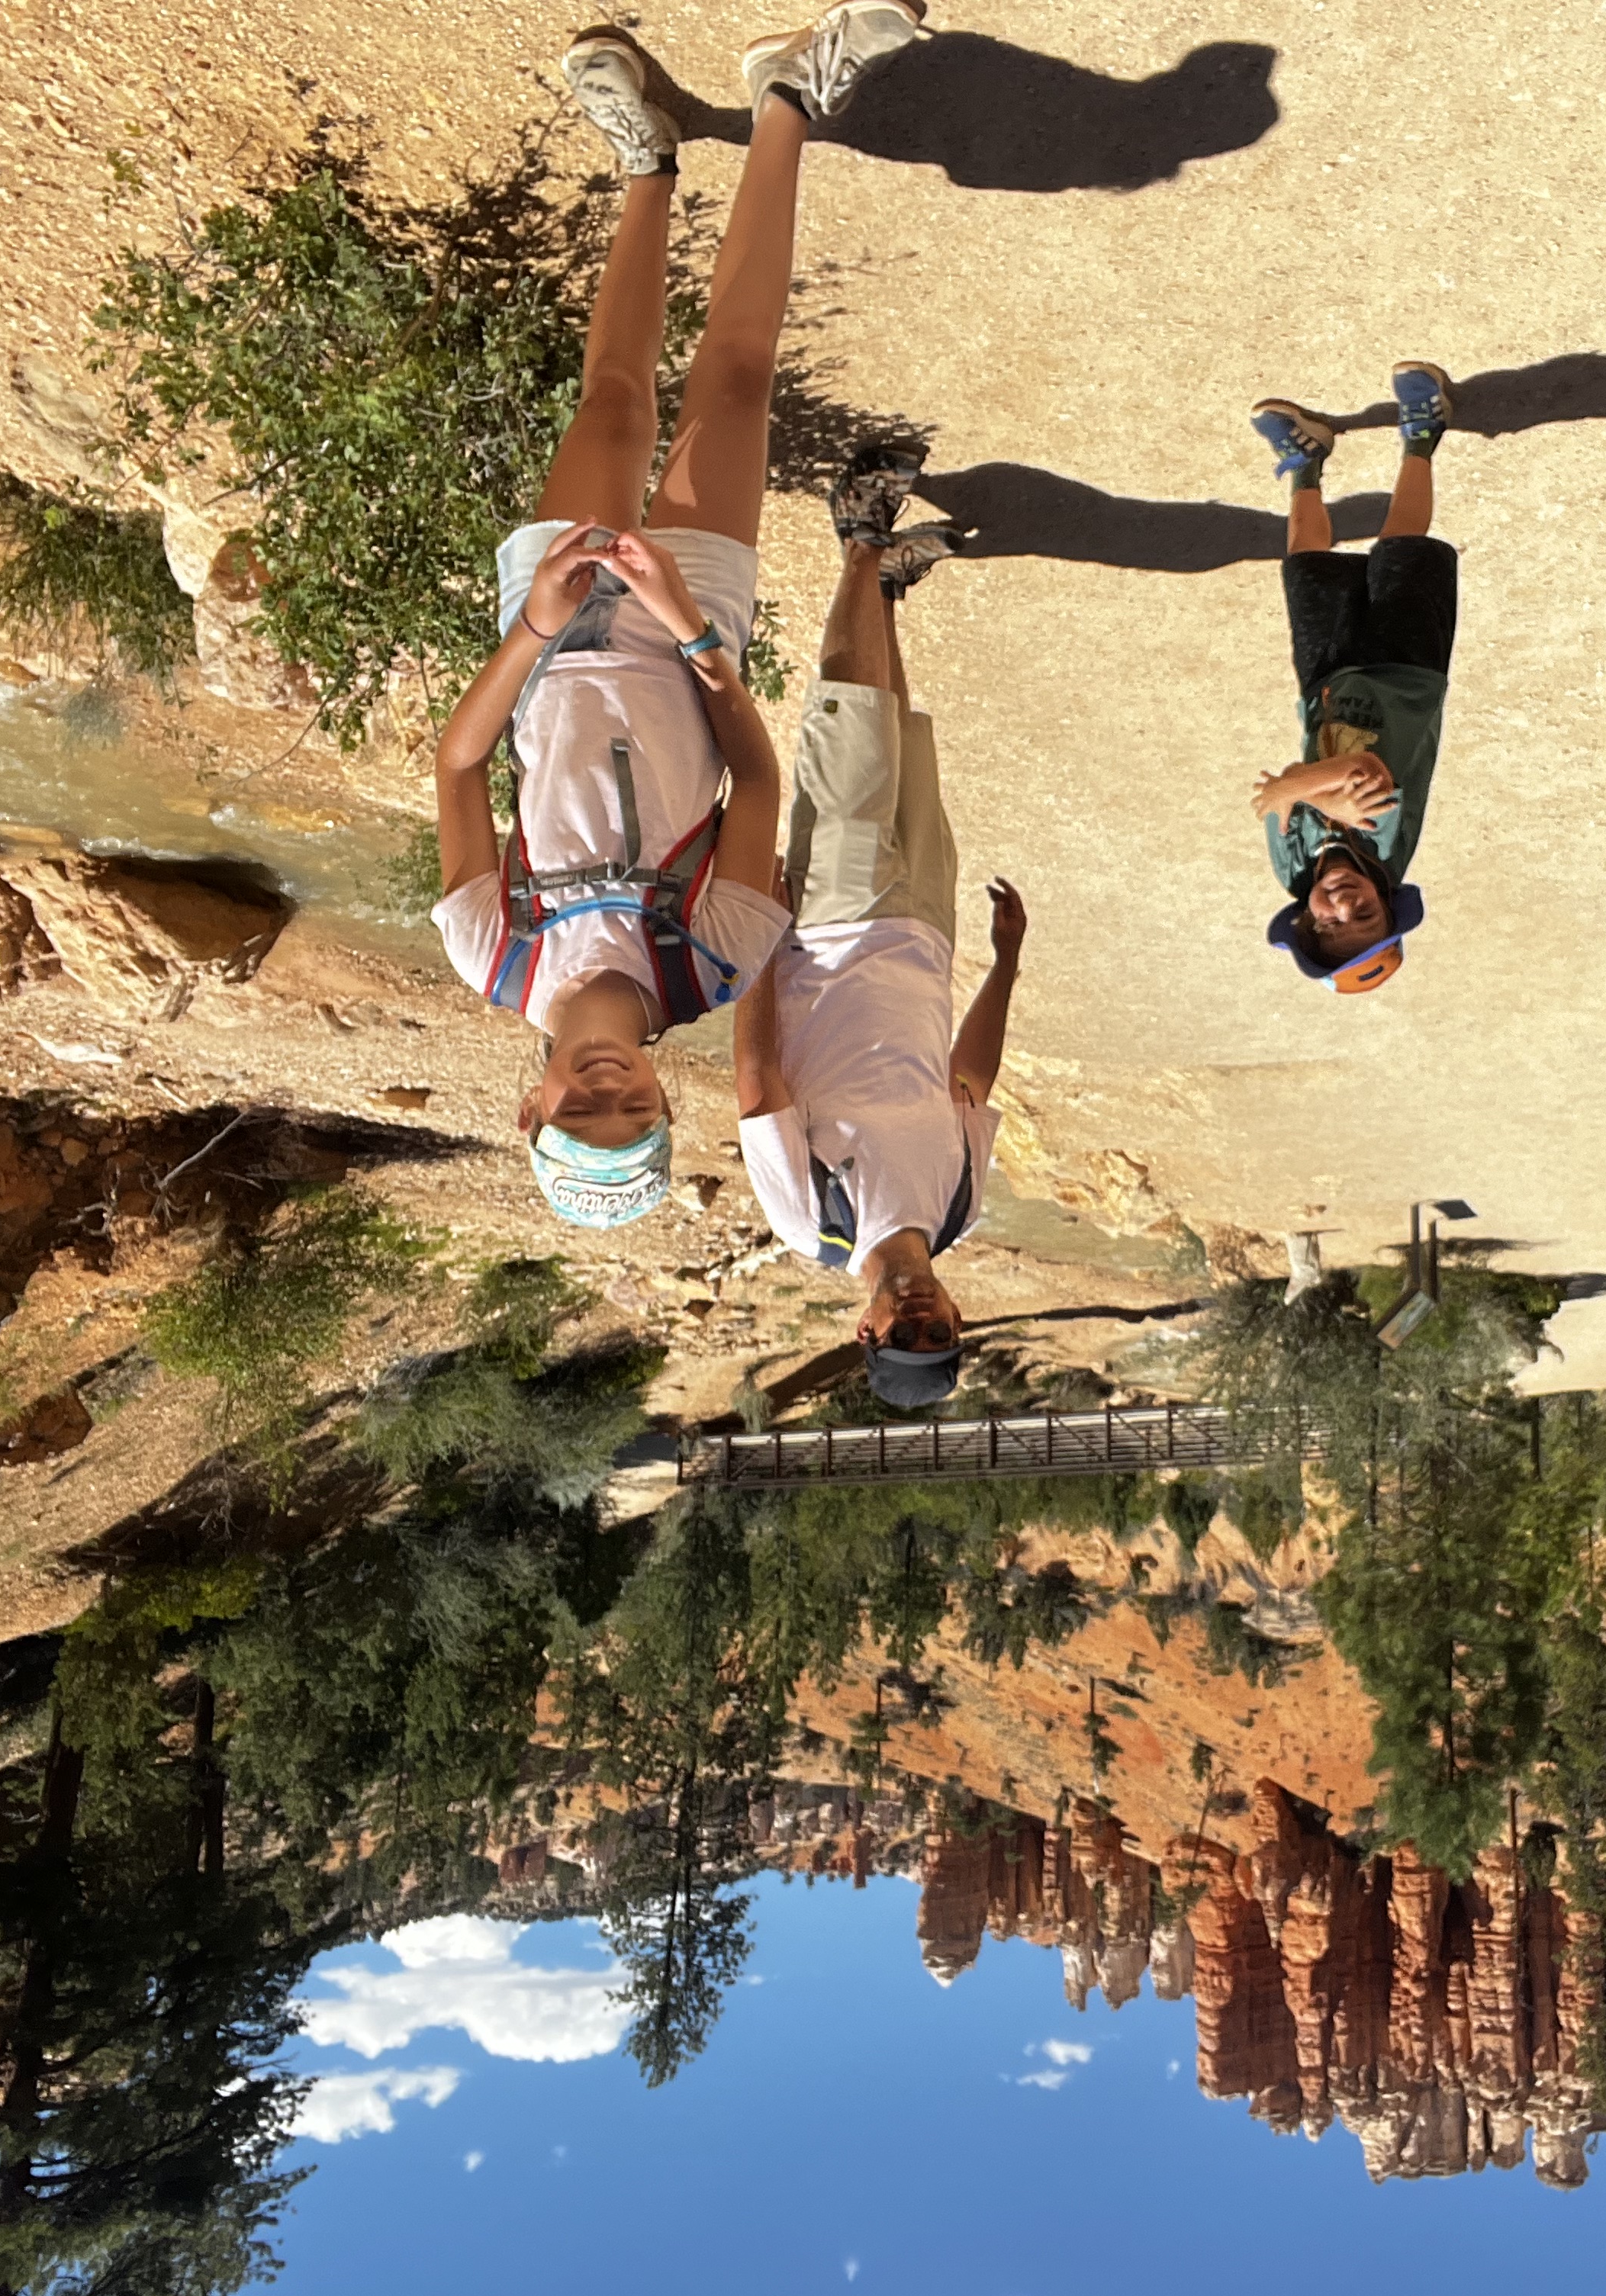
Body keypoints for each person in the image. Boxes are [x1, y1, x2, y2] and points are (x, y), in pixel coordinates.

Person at [429, 5, 929, 1227]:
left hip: (554, 631)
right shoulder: (714, 960)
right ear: (664, 1104)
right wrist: (694, 633)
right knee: (737, 379)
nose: (608, 1092)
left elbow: (459, 765)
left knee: (612, 406)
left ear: (531, 1111)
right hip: (682, 623)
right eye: (635, 1115)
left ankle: (645, 160)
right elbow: (753, 785)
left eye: (581, 1115)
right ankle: (788, 103)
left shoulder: (491, 953)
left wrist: (538, 627)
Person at [735, 445, 1022, 1410]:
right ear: (958, 1319)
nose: (922, 1318)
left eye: (906, 1336)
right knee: (894, 735)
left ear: (867, 1334)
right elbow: (968, 1079)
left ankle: (859, 533)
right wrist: (1007, 961)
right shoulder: (960, 1209)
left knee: (849, 726)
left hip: (828, 929)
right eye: (939, 1331)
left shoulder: (807, 1222)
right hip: (926, 936)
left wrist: (763, 944)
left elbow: (758, 1081)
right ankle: (888, 591)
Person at [1247, 365, 1461, 995]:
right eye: (1365, 915)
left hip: (1328, 687)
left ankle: (1306, 464)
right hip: (1408, 674)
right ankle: (1423, 435)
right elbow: (1346, 782)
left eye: (1328, 923)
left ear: (1303, 919)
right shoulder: (1387, 848)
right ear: (1386, 900)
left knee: (1307, 567)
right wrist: (1309, 792)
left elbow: (1273, 796)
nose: (1342, 906)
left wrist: (1301, 790)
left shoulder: (1291, 870)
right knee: (1401, 545)